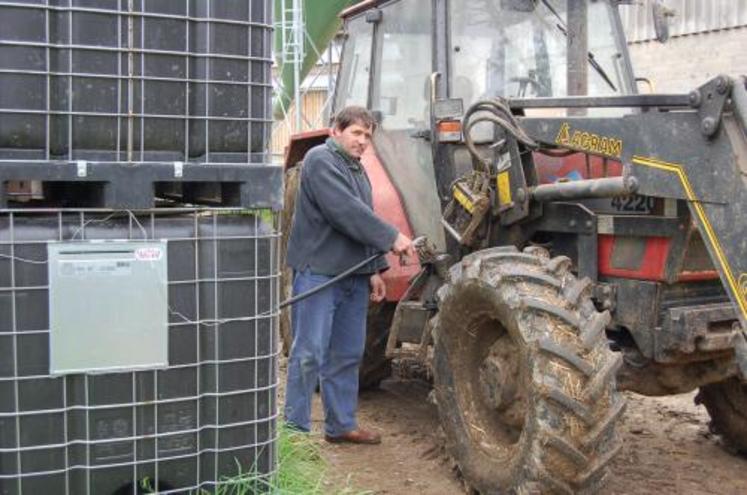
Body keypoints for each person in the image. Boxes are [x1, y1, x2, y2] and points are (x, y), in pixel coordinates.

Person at [284, 106, 417, 444]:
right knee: (309, 352)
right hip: (319, 274)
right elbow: (345, 211)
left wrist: (374, 269)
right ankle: (295, 432)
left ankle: (341, 425)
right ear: (336, 131)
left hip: (353, 276)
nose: (362, 141)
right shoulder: (319, 160)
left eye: (367, 136)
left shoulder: (357, 169)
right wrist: (391, 237)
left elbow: (362, 218)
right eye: (356, 133)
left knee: (347, 353)